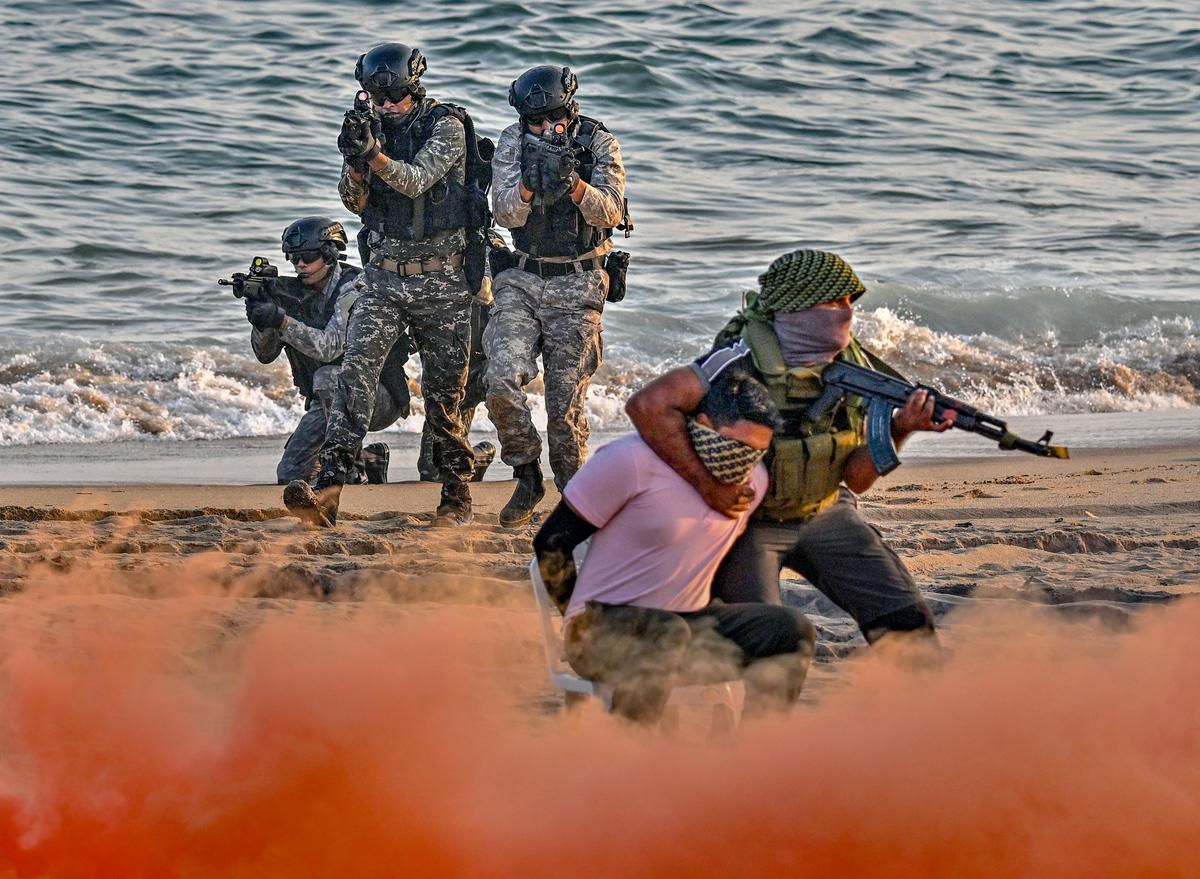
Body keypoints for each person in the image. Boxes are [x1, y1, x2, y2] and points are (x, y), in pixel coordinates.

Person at [626, 249, 953, 648]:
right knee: (769, 642)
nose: (846, 313)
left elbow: (857, 479)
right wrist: (707, 486)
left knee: (908, 624)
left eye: (850, 302)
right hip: (749, 525)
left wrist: (902, 428)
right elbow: (648, 406)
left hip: (826, 512)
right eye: (833, 302)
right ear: (794, 306)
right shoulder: (736, 362)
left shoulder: (854, 367)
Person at [533, 365, 814, 724]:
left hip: (689, 623)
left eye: (756, 453)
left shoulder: (753, 484)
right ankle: (631, 756)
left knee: (790, 630)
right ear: (704, 423)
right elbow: (551, 542)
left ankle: (754, 754)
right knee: (666, 633)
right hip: (603, 626)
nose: (746, 463)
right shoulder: (629, 461)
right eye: (738, 447)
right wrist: (576, 616)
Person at [284, 42, 478, 527]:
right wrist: (355, 159)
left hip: (442, 282)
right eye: (376, 98)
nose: (386, 107)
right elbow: (354, 203)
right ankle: (328, 494)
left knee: (444, 398)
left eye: (394, 99)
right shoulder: (369, 126)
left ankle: (456, 500)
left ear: (415, 90)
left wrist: (373, 153)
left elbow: (416, 181)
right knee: (353, 380)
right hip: (384, 279)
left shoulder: (446, 127)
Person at [486, 65, 629, 528]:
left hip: (580, 279)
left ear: (569, 110)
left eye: (552, 120)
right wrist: (529, 182)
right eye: (535, 122)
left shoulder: (598, 142)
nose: (544, 130)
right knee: (501, 380)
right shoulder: (512, 140)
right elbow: (505, 214)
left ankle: (576, 502)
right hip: (523, 277)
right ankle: (526, 473)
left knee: (564, 411)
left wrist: (574, 184)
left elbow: (612, 209)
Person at [248, 216, 407, 486]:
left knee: (328, 376)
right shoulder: (294, 292)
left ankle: (352, 462)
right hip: (326, 405)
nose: (300, 265)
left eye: (308, 256)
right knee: (290, 475)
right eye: (294, 257)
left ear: (330, 253)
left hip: (376, 398)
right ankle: (370, 459)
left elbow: (330, 347)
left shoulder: (356, 287)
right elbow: (265, 355)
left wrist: (282, 320)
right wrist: (261, 319)